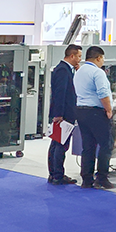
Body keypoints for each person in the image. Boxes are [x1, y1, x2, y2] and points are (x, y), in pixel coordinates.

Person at [73, 46, 116, 189]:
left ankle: (87, 179)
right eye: (102, 58)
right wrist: (108, 109)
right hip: (96, 112)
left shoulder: (79, 71)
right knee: (106, 145)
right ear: (98, 58)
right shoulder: (98, 72)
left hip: (81, 111)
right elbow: (103, 93)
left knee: (88, 146)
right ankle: (102, 178)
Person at [47, 44, 81, 185]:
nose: (80, 59)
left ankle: (54, 174)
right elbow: (60, 93)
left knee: (56, 143)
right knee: (61, 145)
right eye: (78, 56)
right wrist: (59, 114)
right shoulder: (63, 70)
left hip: (62, 113)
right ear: (72, 56)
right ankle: (58, 175)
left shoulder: (65, 69)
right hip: (64, 114)